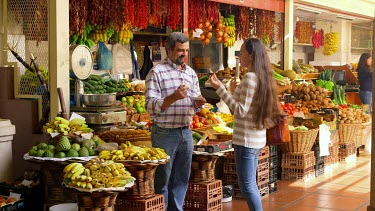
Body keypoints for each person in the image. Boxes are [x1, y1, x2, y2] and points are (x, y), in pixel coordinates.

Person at [208, 37, 281, 211]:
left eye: (242, 53)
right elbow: (245, 108)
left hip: (246, 140)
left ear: (251, 55)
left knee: (247, 185)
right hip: (255, 138)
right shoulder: (262, 77)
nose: (239, 56)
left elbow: (240, 111)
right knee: (249, 184)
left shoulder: (250, 77)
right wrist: (233, 91)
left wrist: (220, 89)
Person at [145, 32, 206, 211]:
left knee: (181, 178)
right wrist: (172, 97)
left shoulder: (191, 73)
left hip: (185, 132)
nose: (184, 54)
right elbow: (149, 106)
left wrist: (199, 103)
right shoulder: (157, 72)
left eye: (186, 50)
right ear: (168, 49)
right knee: (163, 179)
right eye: (180, 50)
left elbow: (194, 103)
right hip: (164, 133)